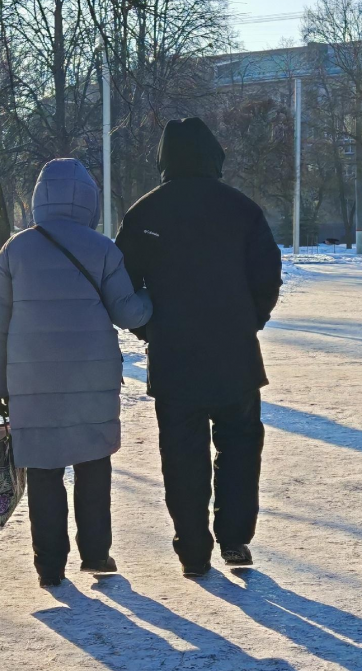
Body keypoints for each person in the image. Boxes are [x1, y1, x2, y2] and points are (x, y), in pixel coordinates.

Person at [116, 117, 282, 578]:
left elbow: (123, 284)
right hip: (234, 355)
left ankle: (192, 550)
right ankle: (235, 539)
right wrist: (249, 321)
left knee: (182, 455)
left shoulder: (145, 213)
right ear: (214, 154)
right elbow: (267, 275)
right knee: (240, 447)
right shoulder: (242, 209)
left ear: (164, 158)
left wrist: (150, 330)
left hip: (174, 357)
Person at [0, 158, 152, 588]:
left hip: (31, 382)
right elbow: (129, 313)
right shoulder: (103, 249)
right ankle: (96, 554)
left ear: (39, 198)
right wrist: (152, 296)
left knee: (43, 471)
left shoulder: (15, 250)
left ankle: (49, 566)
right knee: (93, 465)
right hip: (91, 379)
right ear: (89, 201)